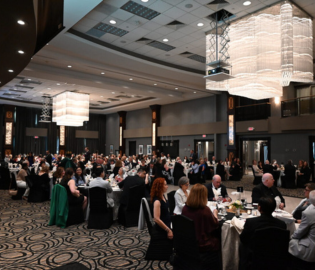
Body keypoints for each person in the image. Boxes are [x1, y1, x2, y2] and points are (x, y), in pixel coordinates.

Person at [239, 197, 286, 269]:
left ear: (259, 208)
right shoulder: (282, 224)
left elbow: (243, 239)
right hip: (275, 258)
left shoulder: (251, 222)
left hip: (255, 259)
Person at [182, 184, 221, 270]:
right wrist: (215, 214)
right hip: (202, 244)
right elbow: (215, 225)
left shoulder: (185, 208)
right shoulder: (204, 210)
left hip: (188, 242)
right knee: (219, 239)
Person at [289, 190, 315, 263]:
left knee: (290, 241)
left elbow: (299, 233)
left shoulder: (309, 213)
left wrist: (291, 238)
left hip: (310, 250)